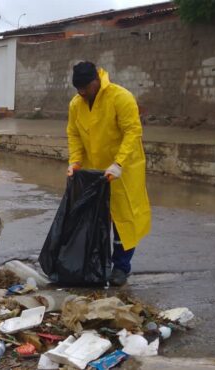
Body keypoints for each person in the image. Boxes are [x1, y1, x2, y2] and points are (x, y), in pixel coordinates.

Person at [66, 61, 152, 286]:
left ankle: (121, 267)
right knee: (98, 220)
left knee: (123, 221)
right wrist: (75, 161)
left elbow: (133, 132)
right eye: (78, 90)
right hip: (96, 173)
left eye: (84, 88)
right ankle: (99, 263)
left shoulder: (120, 97)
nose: (81, 93)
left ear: (96, 81)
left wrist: (119, 163)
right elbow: (74, 134)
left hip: (122, 171)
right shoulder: (77, 104)